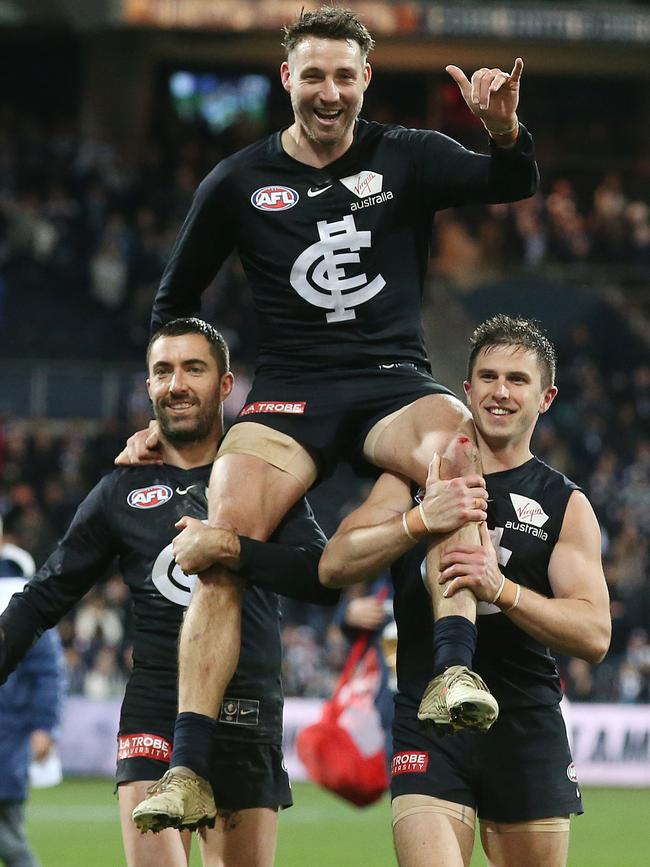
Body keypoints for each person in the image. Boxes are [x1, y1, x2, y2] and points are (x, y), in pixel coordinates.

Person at [123, 5, 539, 830]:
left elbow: (511, 182)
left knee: (458, 450)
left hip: (392, 382)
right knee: (221, 534)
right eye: (313, 73)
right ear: (287, 78)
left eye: (345, 75)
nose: (329, 90)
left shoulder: (408, 156)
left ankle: (455, 673)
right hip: (287, 393)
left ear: (365, 81)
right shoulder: (237, 180)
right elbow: (175, 301)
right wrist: (171, 412)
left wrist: (505, 132)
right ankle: (190, 767)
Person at [0, 318, 339, 867]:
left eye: (193, 369)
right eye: (163, 371)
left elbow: (319, 577)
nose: (177, 383)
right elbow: (44, 595)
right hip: (156, 706)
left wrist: (230, 547)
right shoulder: (120, 490)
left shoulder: (263, 477)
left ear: (225, 386)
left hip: (247, 707)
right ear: (149, 386)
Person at [319, 315, 611, 867]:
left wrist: (501, 589)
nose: (501, 391)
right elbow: (334, 563)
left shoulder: (564, 504)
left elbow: (595, 633)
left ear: (545, 397)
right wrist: (418, 521)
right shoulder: (411, 477)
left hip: (524, 727)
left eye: (517, 380)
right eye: (489, 376)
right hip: (429, 724)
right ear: (466, 389)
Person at [0, 517, 65, 867]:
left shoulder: (16, 601)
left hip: (6, 735)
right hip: (9, 732)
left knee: (9, 842)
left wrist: (43, 726)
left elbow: (47, 674)